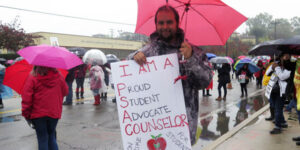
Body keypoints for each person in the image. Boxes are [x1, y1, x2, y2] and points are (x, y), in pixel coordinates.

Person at [127, 5, 212, 145]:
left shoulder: (193, 51)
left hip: (183, 131)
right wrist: (134, 57)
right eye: (161, 23)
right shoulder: (147, 51)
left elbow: (205, 82)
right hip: (153, 130)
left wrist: (190, 59)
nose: (165, 26)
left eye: (169, 22)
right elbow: (125, 77)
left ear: (177, 23)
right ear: (156, 25)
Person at [21, 66, 68, 150]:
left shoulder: (32, 77)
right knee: (51, 136)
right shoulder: (58, 76)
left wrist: (26, 114)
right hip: (54, 112)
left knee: (42, 139)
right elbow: (65, 91)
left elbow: (26, 98)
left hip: (38, 114)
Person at [265, 53, 292, 134]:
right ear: (280, 57)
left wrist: (276, 68)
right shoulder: (276, 63)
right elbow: (267, 73)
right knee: (274, 106)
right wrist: (273, 66)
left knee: (278, 109)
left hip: (281, 91)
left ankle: (278, 127)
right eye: (284, 56)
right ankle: (283, 122)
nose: (286, 57)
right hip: (272, 89)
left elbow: (282, 76)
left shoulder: (290, 66)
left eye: (287, 56)